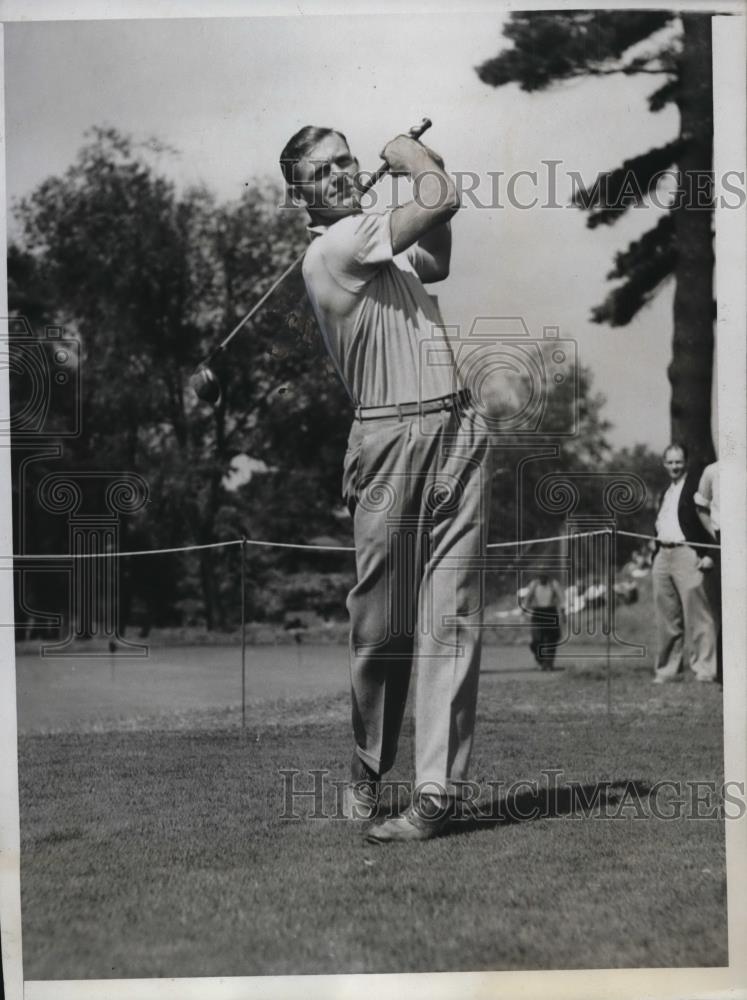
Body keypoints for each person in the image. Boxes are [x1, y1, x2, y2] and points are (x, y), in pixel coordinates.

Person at [279, 125, 492, 842]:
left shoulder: (374, 243)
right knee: (382, 628)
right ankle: (368, 766)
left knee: (451, 615)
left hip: (458, 427)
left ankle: (433, 798)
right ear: (300, 194)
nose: (343, 173)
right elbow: (443, 197)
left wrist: (422, 172)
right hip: (386, 443)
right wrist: (414, 161)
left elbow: (434, 257)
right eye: (323, 170)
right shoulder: (334, 249)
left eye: (347, 159)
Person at [651, 444, 718, 683]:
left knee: (698, 615)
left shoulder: (695, 487)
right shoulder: (665, 492)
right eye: (669, 462)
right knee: (666, 617)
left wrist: (710, 553)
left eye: (678, 462)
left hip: (687, 553)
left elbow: (713, 520)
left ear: (685, 463)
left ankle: (705, 669)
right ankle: (668, 670)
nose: (674, 467)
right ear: (664, 464)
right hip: (662, 555)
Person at [694, 460, 722, 684]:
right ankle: (724, 675)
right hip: (723, 542)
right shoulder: (712, 471)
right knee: (722, 613)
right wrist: (716, 538)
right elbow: (701, 506)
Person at [523, 574, 565, 671]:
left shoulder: (554, 584)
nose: (542, 579)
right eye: (540, 576)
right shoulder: (534, 584)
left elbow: (562, 599)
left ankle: (549, 663)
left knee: (551, 640)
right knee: (536, 640)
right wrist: (524, 611)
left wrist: (563, 613)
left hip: (550, 612)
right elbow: (527, 599)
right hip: (538, 613)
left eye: (544, 576)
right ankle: (540, 659)